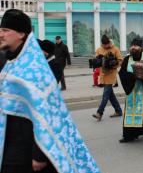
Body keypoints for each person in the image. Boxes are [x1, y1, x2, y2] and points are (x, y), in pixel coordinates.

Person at [0, 9, 100, 173]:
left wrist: (39, 155)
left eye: (5, 30)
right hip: (8, 143)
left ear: (21, 34)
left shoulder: (36, 69)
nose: (1, 34)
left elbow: (50, 113)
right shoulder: (10, 60)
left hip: (24, 150)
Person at [118, 38, 143, 143]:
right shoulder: (126, 60)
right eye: (132, 45)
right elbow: (122, 73)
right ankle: (129, 135)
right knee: (130, 113)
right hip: (131, 90)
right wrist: (133, 77)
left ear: (141, 47)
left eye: (136, 45)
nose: (133, 47)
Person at [92, 35, 123, 121]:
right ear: (102, 44)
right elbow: (96, 60)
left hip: (111, 74)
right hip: (103, 74)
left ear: (109, 42)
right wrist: (97, 61)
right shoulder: (99, 49)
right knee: (110, 95)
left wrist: (114, 63)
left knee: (106, 94)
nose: (106, 46)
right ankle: (118, 111)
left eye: (107, 44)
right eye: (104, 44)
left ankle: (99, 113)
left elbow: (120, 60)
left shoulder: (115, 49)